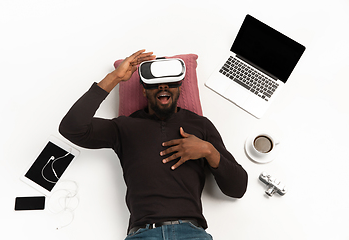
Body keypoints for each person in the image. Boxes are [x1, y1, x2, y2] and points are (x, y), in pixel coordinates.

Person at [59, 50, 248, 239]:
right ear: (143, 90)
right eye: (154, 83)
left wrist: (208, 150)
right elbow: (71, 128)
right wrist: (115, 77)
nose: (163, 86)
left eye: (170, 82)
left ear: (180, 88)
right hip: (143, 233)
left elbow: (237, 188)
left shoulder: (200, 125)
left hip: (191, 233)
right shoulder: (125, 127)